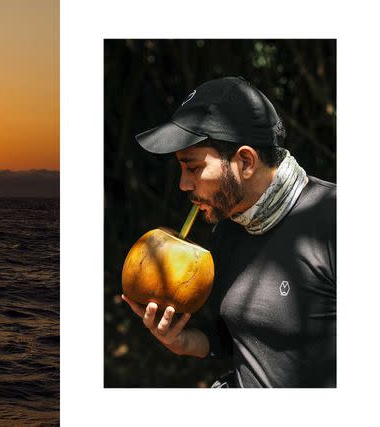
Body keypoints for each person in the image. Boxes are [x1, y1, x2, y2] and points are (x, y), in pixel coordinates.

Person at [122, 76, 336, 388]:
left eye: (193, 168)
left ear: (246, 162)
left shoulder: (334, 221)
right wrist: (186, 341)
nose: (183, 185)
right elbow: (238, 334)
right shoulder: (228, 230)